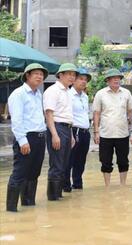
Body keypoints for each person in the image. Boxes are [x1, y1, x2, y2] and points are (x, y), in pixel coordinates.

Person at [6, 64, 48, 212]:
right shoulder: (18, 94)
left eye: (41, 75)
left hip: (40, 137)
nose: (39, 77)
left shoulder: (38, 94)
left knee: (34, 173)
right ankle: (11, 209)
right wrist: (22, 140)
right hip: (26, 137)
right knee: (19, 173)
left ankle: (28, 204)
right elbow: (16, 121)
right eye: (36, 73)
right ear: (27, 76)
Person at [92, 68, 132, 186]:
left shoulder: (126, 93)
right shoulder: (100, 94)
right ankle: (107, 186)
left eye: (118, 78)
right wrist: (96, 132)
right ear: (108, 80)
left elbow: (131, 112)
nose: (116, 80)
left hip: (123, 133)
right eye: (113, 78)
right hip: (105, 134)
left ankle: (123, 185)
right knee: (105, 162)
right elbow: (96, 113)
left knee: (123, 161)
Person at [43, 63, 77, 201]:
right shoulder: (53, 90)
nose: (72, 77)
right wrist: (55, 135)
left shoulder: (68, 91)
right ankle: (52, 197)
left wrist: (71, 135)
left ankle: (58, 195)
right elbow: (49, 114)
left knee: (64, 163)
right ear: (60, 75)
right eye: (69, 74)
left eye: (74, 75)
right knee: (56, 164)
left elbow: (67, 115)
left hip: (67, 129)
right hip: (56, 128)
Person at [64, 68, 91, 191]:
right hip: (73, 131)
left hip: (85, 132)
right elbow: (67, 115)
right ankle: (66, 186)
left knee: (81, 161)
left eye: (85, 80)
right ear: (74, 80)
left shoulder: (85, 96)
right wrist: (70, 134)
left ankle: (78, 184)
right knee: (69, 160)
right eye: (81, 79)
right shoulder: (68, 95)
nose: (84, 82)